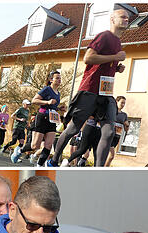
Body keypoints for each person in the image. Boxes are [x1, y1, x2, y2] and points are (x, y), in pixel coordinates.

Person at [44, 5, 130, 167]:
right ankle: (53, 160)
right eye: (122, 17)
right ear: (112, 19)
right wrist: (115, 57)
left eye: (127, 17)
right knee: (73, 129)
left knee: (109, 132)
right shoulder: (104, 36)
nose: (126, 19)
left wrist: (116, 68)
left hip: (105, 94)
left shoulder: (118, 42)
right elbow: (88, 58)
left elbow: (104, 64)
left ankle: (98, 171)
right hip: (90, 90)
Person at [29, 71, 64, 166]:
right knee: (35, 145)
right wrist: (47, 102)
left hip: (52, 119)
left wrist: (59, 108)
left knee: (48, 145)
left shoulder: (58, 93)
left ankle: (39, 166)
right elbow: (34, 100)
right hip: (42, 116)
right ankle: (19, 151)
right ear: (51, 80)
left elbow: (52, 106)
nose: (59, 80)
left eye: (60, 78)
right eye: (57, 78)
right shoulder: (47, 89)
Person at [105, 95, 130, 166]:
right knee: (111, 155)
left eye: (124, 103)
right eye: (122, 102)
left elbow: (126, 129)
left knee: (109, 155)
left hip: (117, 137)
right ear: (116, 102)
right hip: (109, 135)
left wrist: (127, 126)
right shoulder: (111, 112)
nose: (123, 105)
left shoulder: (124, 115)